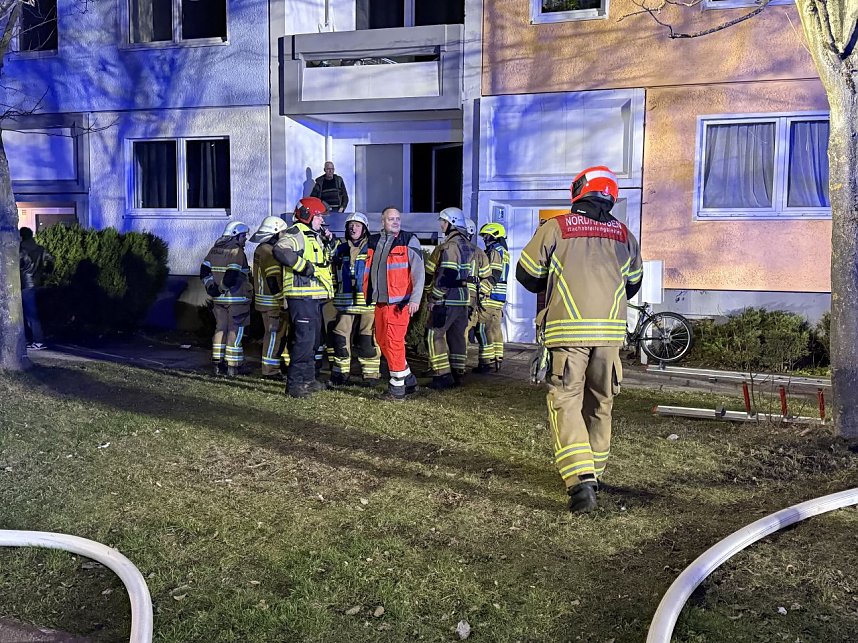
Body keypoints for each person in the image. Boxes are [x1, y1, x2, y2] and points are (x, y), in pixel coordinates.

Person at [516, 166, 642, 514]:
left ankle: (580, 480)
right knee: (601, 402)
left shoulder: (556, 227)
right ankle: (595, 472)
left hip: (567, 331)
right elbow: (634, 283)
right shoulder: (624, 235)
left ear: (579, 191)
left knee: (566, 400)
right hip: (610, 334)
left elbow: (527, 275)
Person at [273, 197, 334, 398]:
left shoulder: (313, 235)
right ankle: (295, 385)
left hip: (314, 297)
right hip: (301, 296)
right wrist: (303, 267)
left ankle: (308, 380)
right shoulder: (295, 232)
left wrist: (329, 241)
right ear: (308, 215)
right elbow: (280, 250)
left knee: (313, 341)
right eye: (319, 217)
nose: (322, 221)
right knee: (303, 342)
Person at [363, 206, 425, 401]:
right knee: (382, 341)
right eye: (391, 219)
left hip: (399, 304)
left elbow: (418, 272)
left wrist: (415, 299)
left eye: (398, 218)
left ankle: (397, 389)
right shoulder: (374, 241)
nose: (396, 222)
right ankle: (408, 379)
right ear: (383, 221)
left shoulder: (408, 240)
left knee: (393, 343)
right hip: (380, 302)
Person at [424, 207, 474, 390]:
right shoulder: (468, 245)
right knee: (457, 337)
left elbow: (447, 275)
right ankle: (457, 372)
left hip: (447, 299)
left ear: (451, 223)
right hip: (462, 299)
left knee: (433, 334)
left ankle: (442, 375)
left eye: (443, 222)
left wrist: (434, 297)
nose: (441, 225)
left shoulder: (450, 246)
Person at [329, 212, 381, 386]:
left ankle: (371, 374)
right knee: (340, 338)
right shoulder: (340, 249)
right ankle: (341, 373)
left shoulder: (372, 248)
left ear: (364, 229)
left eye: (357, 225)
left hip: (367, 302)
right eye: (350, 225)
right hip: (345, 302)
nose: (353, 228)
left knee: (368, 339)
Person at [200, 221, 253, 377]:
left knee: (220, 328)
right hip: (236, 299)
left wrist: (212, 288)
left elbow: (204, 271)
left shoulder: (214, 250)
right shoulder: (236, 252)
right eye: (244, 236)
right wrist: (222, 288)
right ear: (236, 235)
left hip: (219, 300)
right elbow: (232, 275)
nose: (245, 239)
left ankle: (217, 364)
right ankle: (233, 366)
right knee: (235, 330)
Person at [250, 216, 291, 379]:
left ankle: (277, 365)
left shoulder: (261, 248)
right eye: (283, 232)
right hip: (272, 303)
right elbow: (273, 279)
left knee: (275, 334)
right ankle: (270, 371)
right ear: (275, 233)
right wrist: (282, 299)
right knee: (274, 335)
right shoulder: (270, 252)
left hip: (264, 301)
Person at [473, 222, 510, 373]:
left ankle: (486, 362)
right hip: (499, 298)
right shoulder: (504, 251)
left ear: (493, 235)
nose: (484, 239)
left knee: (482, 328)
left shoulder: (495, 251)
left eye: (486, 236)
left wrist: (482, 290)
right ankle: (497, 359)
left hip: (490, 296)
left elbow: (494, 273)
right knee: (495, 329)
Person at [18, 227, 53, 351]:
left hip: (25, 284)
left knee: (30, 314)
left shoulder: (21, 250)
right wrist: (45, 273)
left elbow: (17, 265)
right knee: (32, 313)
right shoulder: (40, 249)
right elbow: (51, 260)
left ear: (21, 237)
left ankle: (38, 341)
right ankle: (35, 339)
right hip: (37, 283)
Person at [463, 218, 492, 365]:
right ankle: (460, 365)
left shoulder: (450, 248)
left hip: (459, 296)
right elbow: (487, 277)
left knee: (461, 331)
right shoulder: (479, 252)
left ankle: (457, 365)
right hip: (472, 298)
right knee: (466, 330)